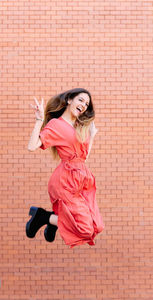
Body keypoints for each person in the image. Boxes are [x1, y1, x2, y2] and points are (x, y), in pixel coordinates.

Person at [25, 88, 104, 248]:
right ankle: (43, 217)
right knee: (85, 229)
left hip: (83, 182)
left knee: (97, 226)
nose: (84, 105)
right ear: (69, 100)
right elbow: (32, 146)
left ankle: (53, 222)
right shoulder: (57, 125)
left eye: (87, 104)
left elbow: (83, 157)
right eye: (81, 100)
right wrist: (39, 121)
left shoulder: (80, 127)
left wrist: (92, 136)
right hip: (65, 182)